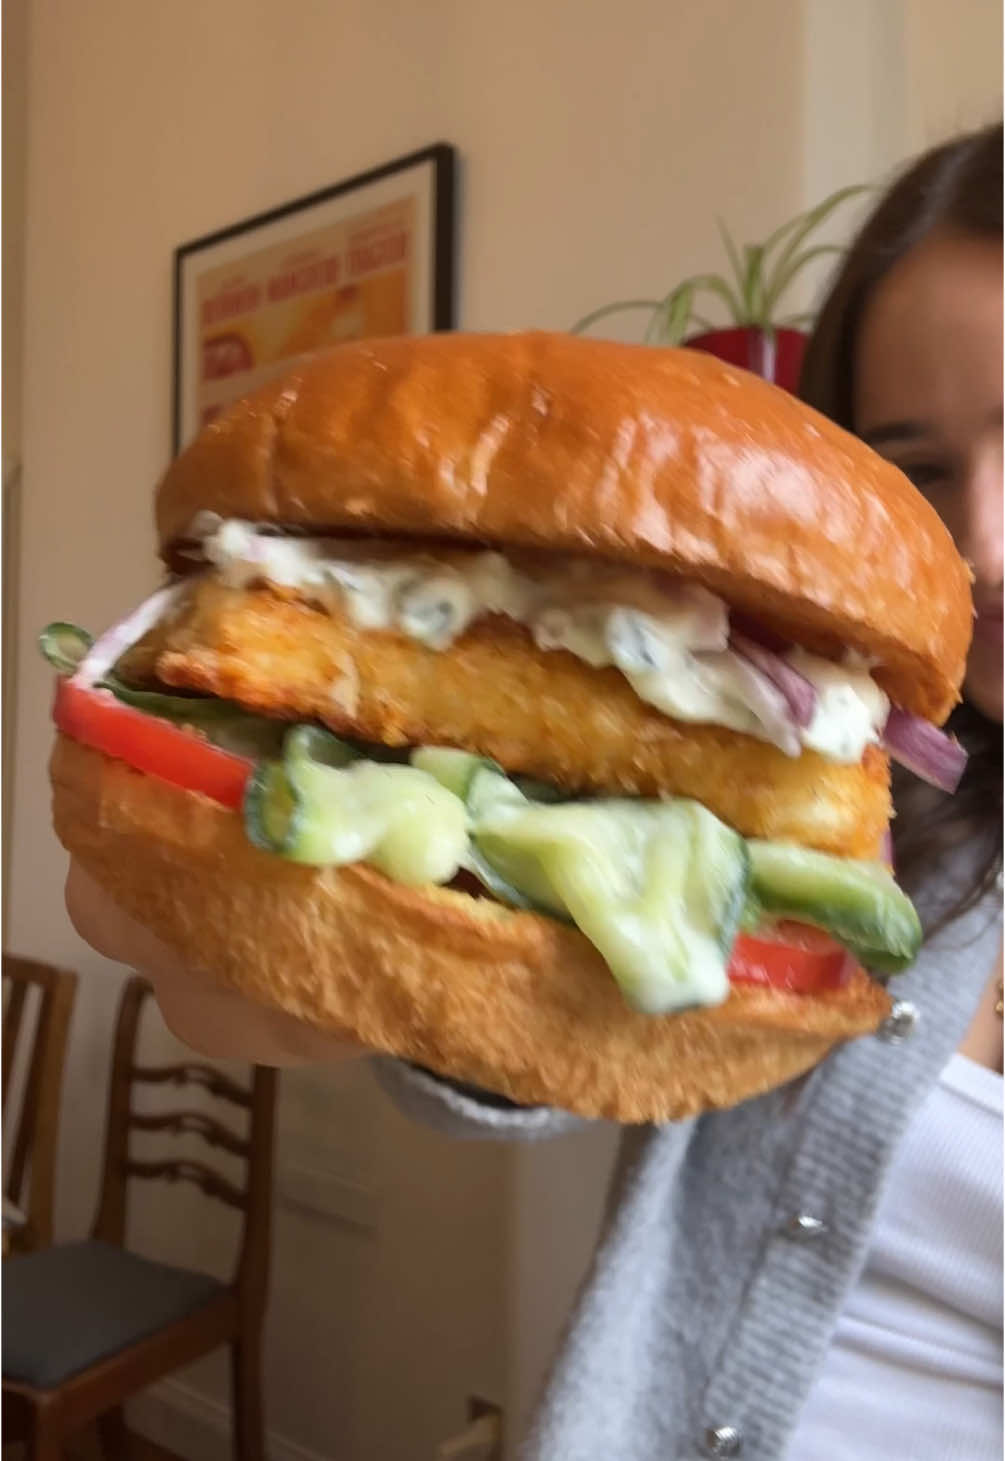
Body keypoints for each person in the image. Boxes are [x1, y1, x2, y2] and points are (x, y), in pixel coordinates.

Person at [66, 121, 1002, 1460]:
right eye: (916, 462)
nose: (985, 544)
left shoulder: (832, 797)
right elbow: (536, 1051)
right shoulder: (887, 821)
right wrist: (365, 993)